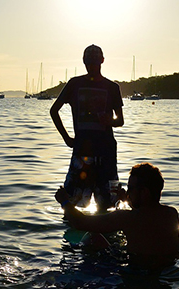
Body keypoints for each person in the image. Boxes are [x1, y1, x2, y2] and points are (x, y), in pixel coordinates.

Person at [55, 163, 179, 272]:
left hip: (135, 270)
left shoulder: (126, 218)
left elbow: (80, 222)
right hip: (166, 269)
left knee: (94, 237)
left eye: (130, 189)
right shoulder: (171, 214)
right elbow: (145, 216)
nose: (128, 192)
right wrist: (127, 199)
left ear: (144, 192)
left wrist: (65, 202)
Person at [50, 44, 124, 212]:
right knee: (72, 201)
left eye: (95, 63)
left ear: (102, 61)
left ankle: (104, 235)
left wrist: (109, 120)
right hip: (82, 151)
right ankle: (74, 235)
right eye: (88, 63)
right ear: (83, 62)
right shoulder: (74, 84)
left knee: (106, 204)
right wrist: (67, 138)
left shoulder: (112, 88)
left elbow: (120, 120)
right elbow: (54, 110)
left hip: (106, 152)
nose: (91, 67)